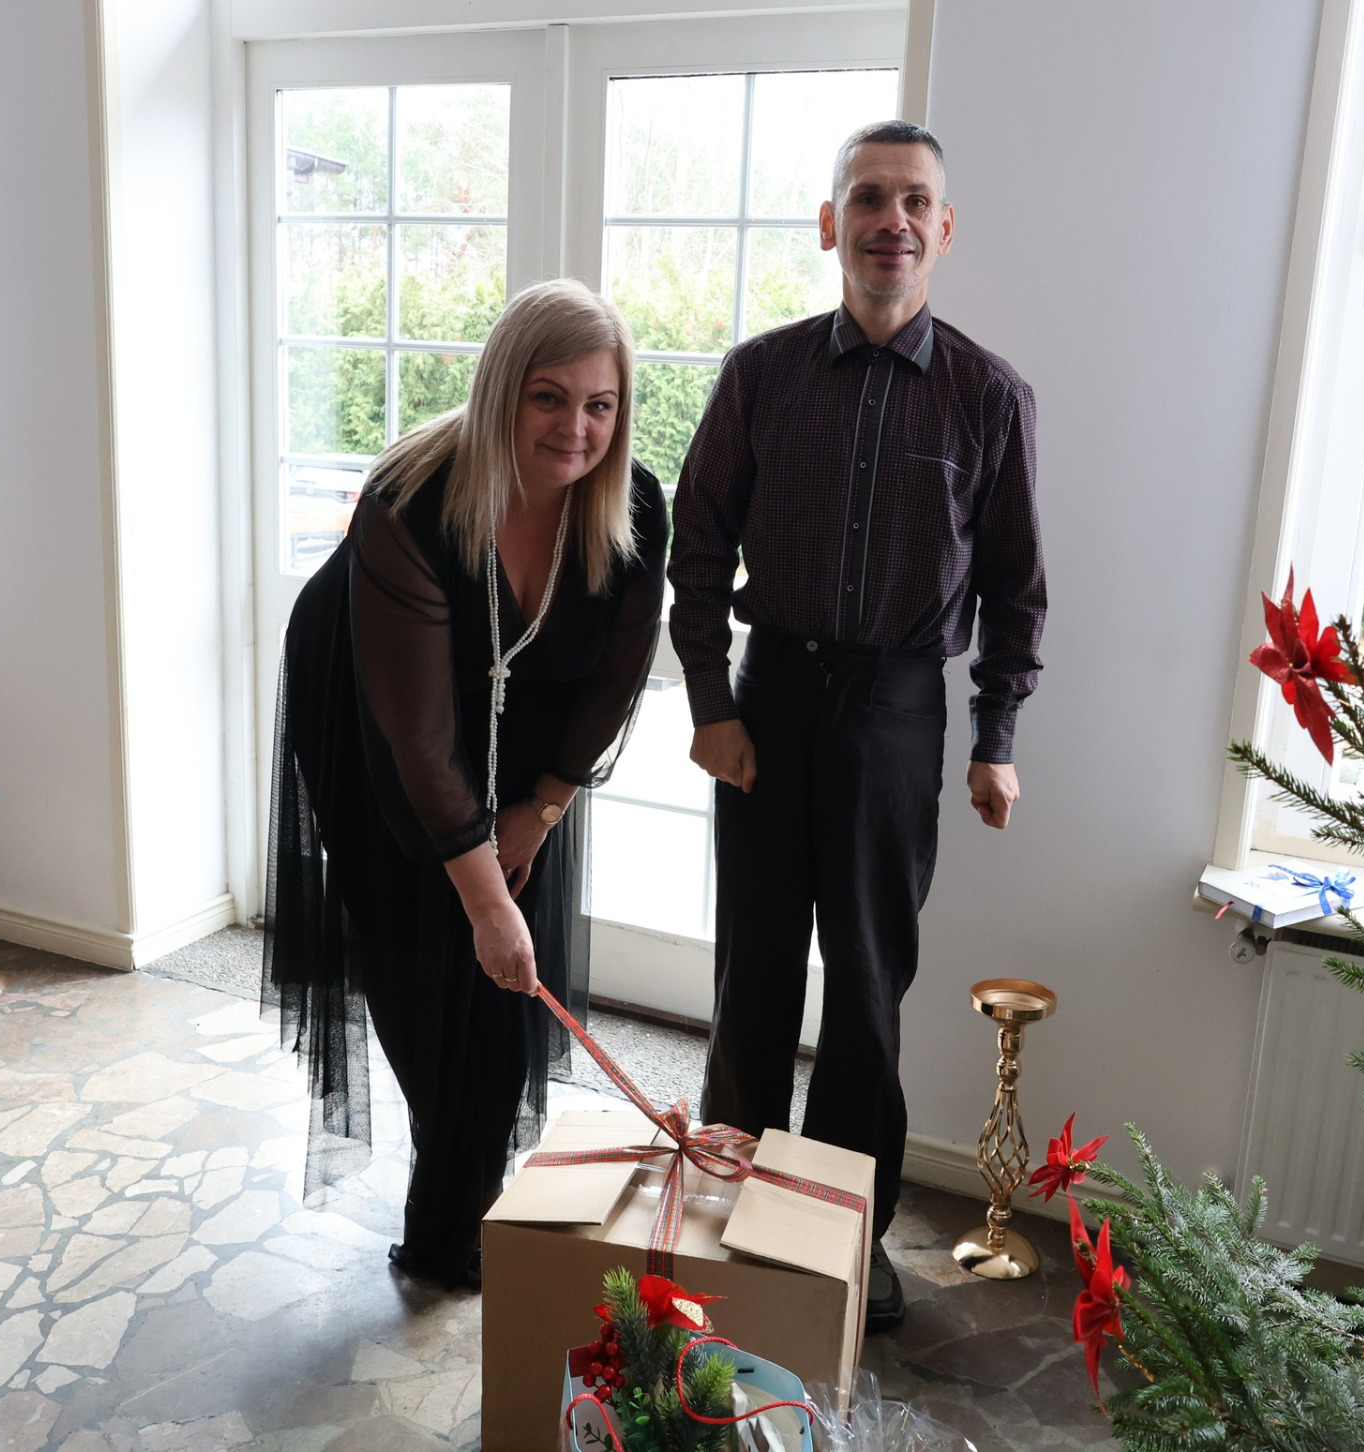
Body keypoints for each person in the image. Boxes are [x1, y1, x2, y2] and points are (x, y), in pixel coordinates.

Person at [668, 120, 1045, 1330]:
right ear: (831, 223)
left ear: (944, 228)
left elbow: (1016, 590)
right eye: (869, 198)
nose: (892, 221)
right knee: (755, 973)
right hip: (770, 701)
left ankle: (840, 1235)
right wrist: (712, 705)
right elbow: (695, 548)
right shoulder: (760, 377)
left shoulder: (990, 397)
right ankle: (732, 1211)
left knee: (869, 987)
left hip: (897, 712)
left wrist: (994, 737)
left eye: (915, 201)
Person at [263, 278, 668, 1292]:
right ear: (501, 393)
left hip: (529, 738)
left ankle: (450, 1222)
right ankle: (448, 1209)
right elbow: (418, 737)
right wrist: (484, 899)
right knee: (429, 974)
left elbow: (617, 677)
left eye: (600, 404)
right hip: (378, 729)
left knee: (507, 998)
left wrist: (542, 809)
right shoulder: (408, 505)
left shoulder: (633, 505)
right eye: (548, 398)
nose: (575, 428)